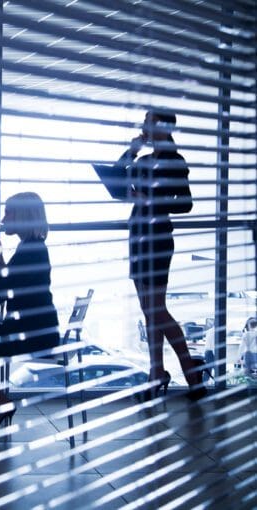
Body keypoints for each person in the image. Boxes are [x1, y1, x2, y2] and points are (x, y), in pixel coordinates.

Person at [111, 109, 205, 401]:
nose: (144, 127)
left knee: (156, 309)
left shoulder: (175, 162)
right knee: (148, 310)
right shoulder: (143, 160)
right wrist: (131, 149)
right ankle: (157, 371)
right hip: (138, 237)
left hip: (157, 238)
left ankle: (188, 368)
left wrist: (150, 200)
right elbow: (115, 184)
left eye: (149, 123)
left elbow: (185, 204)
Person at [0, 192, 60, 431]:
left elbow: (0, 293)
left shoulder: (30, 250)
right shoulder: (31, 247)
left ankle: (0, 402)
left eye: (9, 212)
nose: (4, 217)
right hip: (33, 329)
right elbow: (8, 283)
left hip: (31, 334)